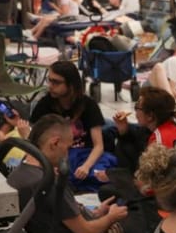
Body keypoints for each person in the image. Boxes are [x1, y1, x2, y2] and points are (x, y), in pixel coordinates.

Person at [6, 114, 131, 233]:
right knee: (140, 217)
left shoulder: (18, 173)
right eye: (68, 148)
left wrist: (96, 213)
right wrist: (111, 217)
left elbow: (59, 215)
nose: (68, 155)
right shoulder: (50, 183)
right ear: (55, 143)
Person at [31, 61, 114, 192]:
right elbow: (35, 142)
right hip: (59, 156)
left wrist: (86, 166)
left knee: (102, 173)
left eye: (56, 82)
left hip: (85, 155)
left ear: (71, 85)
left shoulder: (88, 105)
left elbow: (98, 146)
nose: (50, 86)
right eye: (49, 80)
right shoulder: (45, 104)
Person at [107, 86, 176, 173]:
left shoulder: (159, 141)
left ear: (150, 116)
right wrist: (123, 129)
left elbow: (153, 176)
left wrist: (112, 175)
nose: (135, 111)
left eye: (137, 107)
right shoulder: (168, 126)